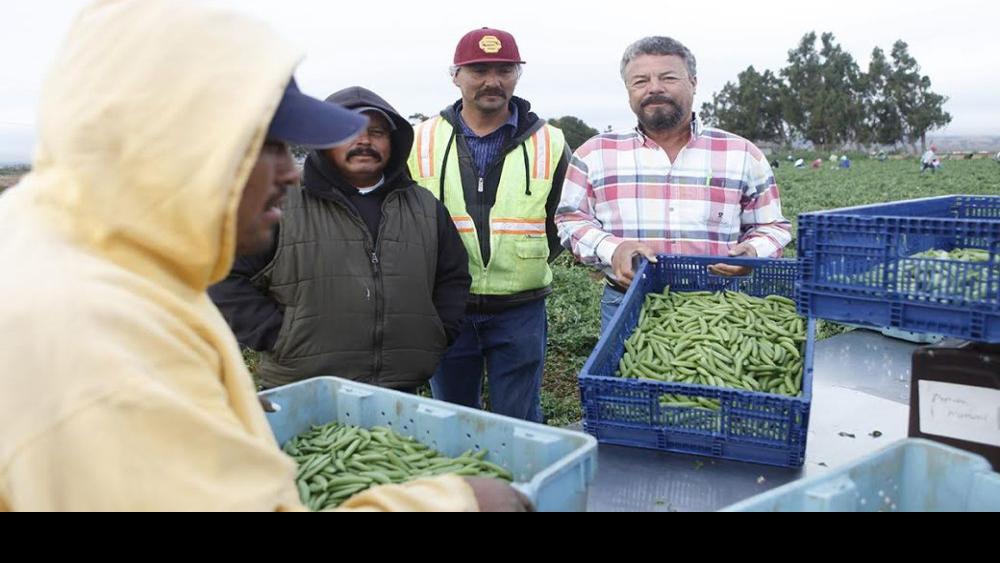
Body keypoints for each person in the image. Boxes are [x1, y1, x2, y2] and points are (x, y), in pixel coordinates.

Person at [0, 0, 528, 512]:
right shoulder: (96, 338)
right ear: (181, 139)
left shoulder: (89, 253)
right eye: (270, 145)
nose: (290, 172)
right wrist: (453, 502)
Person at [210, 86, 471, 392]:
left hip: (399, 392)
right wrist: (278, 336)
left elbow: (453, 278)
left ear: (393, 141)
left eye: (376, 132)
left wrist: (436, 333)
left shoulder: (425, 208)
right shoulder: (280, 203)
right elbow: (222, 276)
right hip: (304, 389)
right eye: (350, 130)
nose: (364, 140)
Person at [555, 36, 792, 332]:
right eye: (640, 81)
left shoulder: (742, 153)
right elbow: (569, 220)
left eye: (668, 77)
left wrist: (753, 253)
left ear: (693, 83)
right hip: (628, 302)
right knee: (629, 376)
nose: (654, 87)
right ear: (628, 90)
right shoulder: (594, 153)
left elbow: (773, 227)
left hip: (721, 306)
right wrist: (611, 248)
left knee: (718, 379)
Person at [407, 28, 570, 423]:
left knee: (519, 420)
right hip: (445, 307)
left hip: (520, 310)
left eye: (504, 69)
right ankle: (463, 487)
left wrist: (525, 259)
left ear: (517, 74)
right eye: (479, 69)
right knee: (452, 419)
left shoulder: (550, 141)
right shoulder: (419, 140)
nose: (492, 81)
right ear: (456, 75)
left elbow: (561, 220)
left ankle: (520, 486)